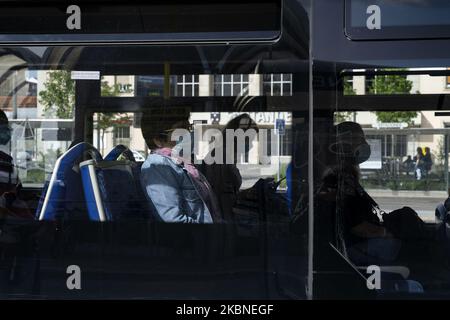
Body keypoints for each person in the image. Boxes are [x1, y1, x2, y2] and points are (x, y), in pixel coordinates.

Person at [322, 122, 402, 265]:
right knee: (399, 246)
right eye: (359, 139)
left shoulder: (344, 177)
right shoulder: (341, 180)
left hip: (353, 245)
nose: (365, 144)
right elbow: (357, 226)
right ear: (344, 145)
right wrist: (384, 233)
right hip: (351, 249)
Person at [140, 111, 221, 224]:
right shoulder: (158, 166)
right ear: (159, 140)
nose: (188, 134)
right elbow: (173, 219)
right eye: (181, 130)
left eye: (188, 127)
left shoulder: (183, 163)